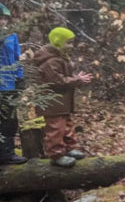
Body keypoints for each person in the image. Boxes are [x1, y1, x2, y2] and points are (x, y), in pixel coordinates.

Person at [33, 27, 93, 167]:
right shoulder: (50, 61)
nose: (71, 46)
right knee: (55, 129)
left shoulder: (61, 58)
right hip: (52, 103)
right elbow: (58, 81)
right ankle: (56, 154)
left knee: (67, 126)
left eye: (72, 43)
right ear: (58, 42)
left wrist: (77, 79)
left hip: (62, 102)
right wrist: (77, 79)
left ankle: (69, 149)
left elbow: (65, 78)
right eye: (68, 43)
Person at [0, 4, 27, 164]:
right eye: (0, 18)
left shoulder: (12, 36)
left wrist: (20, 78)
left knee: (10, 120)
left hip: (9, 85)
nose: (2, 21)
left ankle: (7, 154)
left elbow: (17, 58)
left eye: (4, 18)